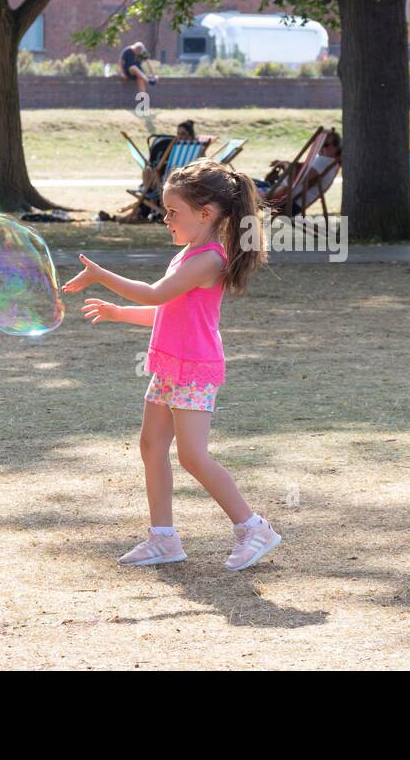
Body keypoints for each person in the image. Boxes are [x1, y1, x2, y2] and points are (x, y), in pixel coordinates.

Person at [62, 159, 282, 571]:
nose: (165, 219)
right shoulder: (188, 254)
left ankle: (254, 528)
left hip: (195, 368)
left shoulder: (210, 259)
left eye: (172, 211)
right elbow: (166, 310)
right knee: (151, 447)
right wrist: (117, 313)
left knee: (192, 457)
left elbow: (153, 295)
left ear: (206, 213)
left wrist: (99, 274)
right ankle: (163, 538)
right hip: (169, 366)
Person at [99, 121, 202, 224]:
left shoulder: (187, 149)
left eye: (183, 134)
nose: (179, 137)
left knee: (149, 173)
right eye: (178, 133)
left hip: (172, 183)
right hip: (169, 184)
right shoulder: (194, 148)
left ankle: (139, 213)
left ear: (190, 135)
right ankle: (141, 212)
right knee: (150, 174)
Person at [264, 128, 341, 215]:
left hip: (286, 204)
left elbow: (300, 178)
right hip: (289, 202)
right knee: (249, 184)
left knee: (247, 187)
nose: (321, 148)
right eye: (320, 144)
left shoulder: (324, 161)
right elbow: (300, 172)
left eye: (325, 144)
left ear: (336, 147)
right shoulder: (330, 163)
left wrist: (286, 166)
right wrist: (285, 164)